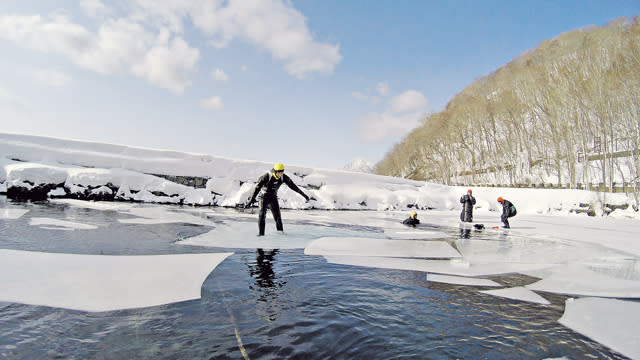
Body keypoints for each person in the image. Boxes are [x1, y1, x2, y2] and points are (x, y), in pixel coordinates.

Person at [245, 163, 311, 236]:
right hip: (263, 197)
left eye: (282, 172)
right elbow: (257, 188)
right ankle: (261, 235)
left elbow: (293, 186)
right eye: (279, 173)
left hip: (273, 197)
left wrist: (304, 195)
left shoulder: (283, 177)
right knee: (262, 215)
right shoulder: (267, 176)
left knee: (278, 217)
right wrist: (252, 199)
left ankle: (280, 234)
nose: (280, 174)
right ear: (275, 171)